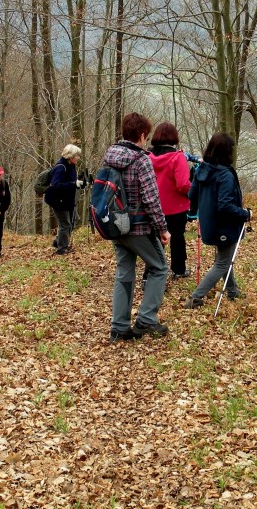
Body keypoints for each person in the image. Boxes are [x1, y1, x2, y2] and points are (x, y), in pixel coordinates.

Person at [103, 112, 170, 342]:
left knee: (124, 273)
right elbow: (151, 199)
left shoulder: (109, 156)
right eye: (147, 136)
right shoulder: (141, 161)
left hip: (114, 226)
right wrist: (162, 228)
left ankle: (119, 326)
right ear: (141, 135)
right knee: (160, 268)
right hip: (139, 228)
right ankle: (146, 320)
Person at [183, 132, 251, 309]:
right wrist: (245, 214)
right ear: (226, 152)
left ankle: (232, 291)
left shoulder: (202, 169)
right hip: (224, 225)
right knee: (222, 263)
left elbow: (192, 195)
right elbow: (225, 206)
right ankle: (195, 297)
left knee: (224, 259)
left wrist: (195, 212)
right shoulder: (225, 175)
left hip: (209, 224)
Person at [149, 123, 192, 279]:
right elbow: (183, 184)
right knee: (177, 238)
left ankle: (153, 270)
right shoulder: (177, 157)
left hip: (153, 206)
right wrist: (193, 190)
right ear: (174, 137)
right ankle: (179, 269)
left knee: (155, 239)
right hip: (176, 207)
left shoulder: (148, 156)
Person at [44, 145, 83, 256]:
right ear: (70, 156)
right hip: (58, 201)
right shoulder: (60, 167)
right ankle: (61, 249)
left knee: (72, 222)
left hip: (67, 200)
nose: (78, 158)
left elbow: (70, 181)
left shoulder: (70, 165)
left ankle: (58, 242)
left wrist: (79, 183)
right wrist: (73, 184)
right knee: (65, 224)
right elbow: (56, 185)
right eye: (76, 156)